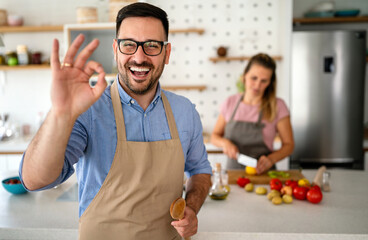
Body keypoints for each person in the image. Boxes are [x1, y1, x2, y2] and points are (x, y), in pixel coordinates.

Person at [20, 3, 212, 240]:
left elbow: (201, 171)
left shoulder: (185, 111)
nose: (139, 58)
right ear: (116, 49)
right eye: (129, 44)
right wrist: (60, 113)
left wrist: (192, 208)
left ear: (167, 53)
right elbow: (34, 180)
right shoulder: (89, 109)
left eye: (152, 45)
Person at [211, 53, 294, 174]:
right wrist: (225, 143)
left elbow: (289, 145)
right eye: (254, 78)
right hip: (233, 175)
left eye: (264, 81)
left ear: (270, 82)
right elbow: (214, 136)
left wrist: (271, 159)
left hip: (265, 175)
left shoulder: (278, 106)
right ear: (244, 76)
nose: (257, 85)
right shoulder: (230, 102)